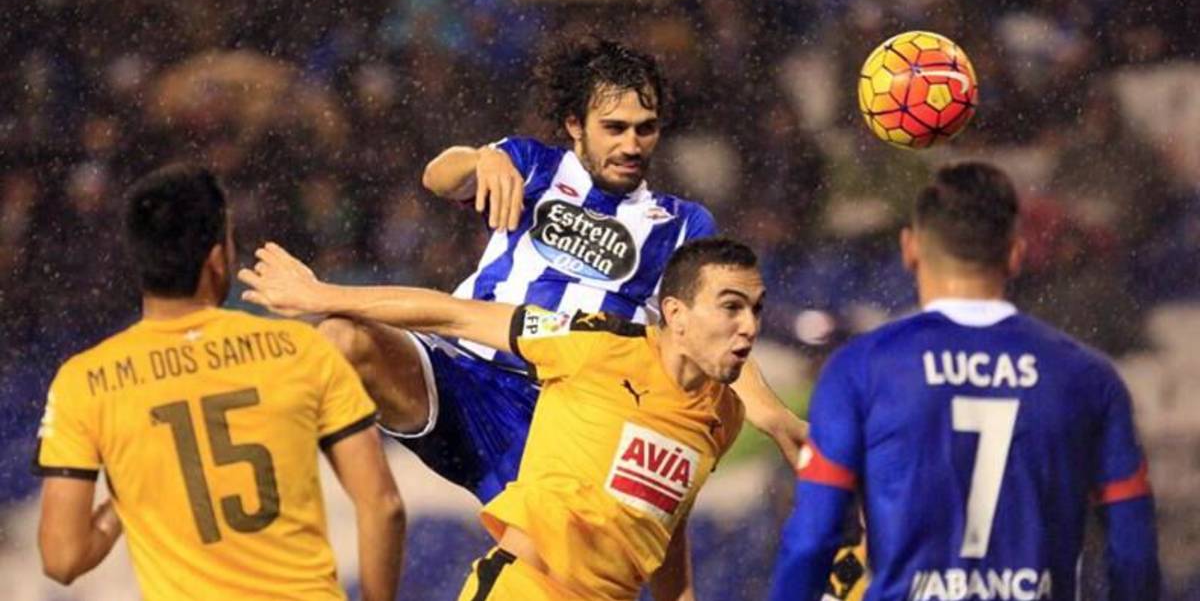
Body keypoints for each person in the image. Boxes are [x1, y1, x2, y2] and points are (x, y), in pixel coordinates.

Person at [321, 35, 806, 503]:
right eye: (614, 128)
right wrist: (481, 159)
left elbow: (712, 335)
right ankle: (353, 503)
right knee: (343, 339)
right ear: (576, 124)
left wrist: (774, 416)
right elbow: (437, 178)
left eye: (645, 128)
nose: (632, 145)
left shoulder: (682, 223)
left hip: (560, 418)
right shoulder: (533, 165)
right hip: (459, 377)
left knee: (557, 557)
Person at [238, 236, 760, 600]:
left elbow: (664, 521)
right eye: (731, 307)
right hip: (525, 589)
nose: (749, 327)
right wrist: (322, 295)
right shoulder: (598, 345)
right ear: (675, 313)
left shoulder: (724, 415)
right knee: (346, 339)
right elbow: (453, 315)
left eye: (756, 309)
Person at [769, 162, 1161, 601]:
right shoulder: (1087, 378)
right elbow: (1133, 552)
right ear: (1015, 253)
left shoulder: (861, 369)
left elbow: (812, 539)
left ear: (910, 249)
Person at [35, 164, 405, 600]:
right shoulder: (300, 349)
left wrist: (123, 499)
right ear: (216, 259)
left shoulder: (85, 381)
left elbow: (62, 559)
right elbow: (383, 505)